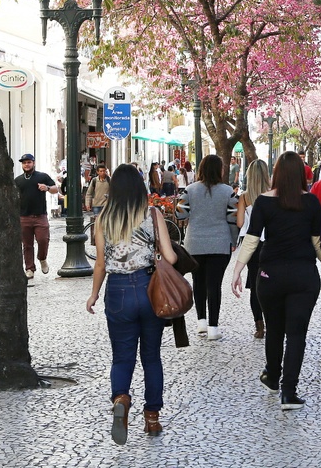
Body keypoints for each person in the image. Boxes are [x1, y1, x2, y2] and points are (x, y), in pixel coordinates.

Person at [85, 164, 177, 445]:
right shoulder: (153, 213)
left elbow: (100, 263)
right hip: (150, 290)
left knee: (122, 357)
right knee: (151, 357)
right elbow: (171, 258)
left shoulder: (103, 220)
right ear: (139, 187)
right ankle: (152, 418)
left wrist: (93, 294)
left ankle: (121, 398)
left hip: (118, 291)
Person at [230, 152, 321, 411]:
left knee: (274, 329)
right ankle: (289, 392)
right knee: (296, 334)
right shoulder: (313, 202)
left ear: (278, 173)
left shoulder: (263, 202)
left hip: (269, 275)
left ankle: (272, 377)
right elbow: (317, 243)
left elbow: (251, 238)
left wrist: (238, 270)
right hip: (303, 275)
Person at [179, 155, 237, 340]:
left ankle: (201, 323)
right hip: (220, 243)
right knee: (214, 285)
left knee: (199, 282)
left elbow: (180, 215)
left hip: (194, 243)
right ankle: (213, 328)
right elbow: (233, 219)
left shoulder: (190, 190)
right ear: (220, 170)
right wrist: (233, 241)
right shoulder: (228, 192)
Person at [236, 159, 270, 339]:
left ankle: (259, 324)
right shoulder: (273, 194)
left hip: (252, 244)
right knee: (271, 282)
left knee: (255, 284)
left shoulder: (245, 197)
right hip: (271, 243)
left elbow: (240, 223)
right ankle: (273, 320)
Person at [14, 154, 57, 279]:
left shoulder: (42, 176)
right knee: (27, 245)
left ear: (33, 163)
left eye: (28, 162)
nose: (26, 165)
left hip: (40, 216)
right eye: (24, 163)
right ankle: (29, 268)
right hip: (24, 217)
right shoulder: (18, 180)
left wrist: (47, 188)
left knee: (43, 239)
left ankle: (42, 258)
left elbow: (55, 189)